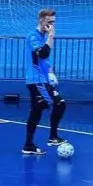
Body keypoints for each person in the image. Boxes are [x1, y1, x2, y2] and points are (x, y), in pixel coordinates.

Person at [22, 8, 67, 155]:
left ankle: (30, 145)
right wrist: (51, 36)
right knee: (56, 104)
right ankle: (50, 138)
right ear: (41, 20)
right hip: (36, 80)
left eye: (53, 22)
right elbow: (43, 53)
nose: (51, 26)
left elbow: (43, 60)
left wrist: (50, 72)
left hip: (43, 79)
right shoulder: (33, 36)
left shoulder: (43, 37)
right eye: (49, 22)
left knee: (39, 110)